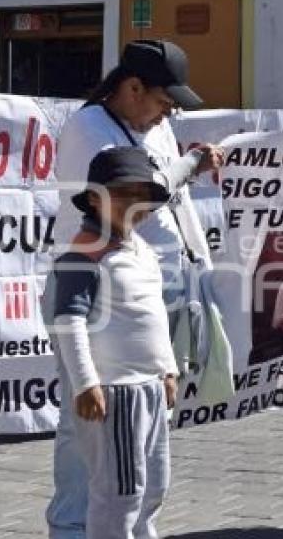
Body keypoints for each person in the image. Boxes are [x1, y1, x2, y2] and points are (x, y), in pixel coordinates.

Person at [47, 39, 222, 539]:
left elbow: (162, 193)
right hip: (98, 291)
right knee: (86, 425)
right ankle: (73, 527)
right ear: (132, 87)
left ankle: (136, 527)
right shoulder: (89, 129)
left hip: (146, 282)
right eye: (163, 102)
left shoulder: (156, 125)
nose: (166, 114)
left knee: (144, 437)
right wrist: (189, 165)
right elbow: (151, 186)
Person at [45, 147, 179, 539]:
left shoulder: (141, 250)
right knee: (119, 491)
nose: (134, 204)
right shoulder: (83, 255)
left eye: (142, 195)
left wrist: (167, 368)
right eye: (122, 193)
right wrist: (86, 383)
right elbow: (68, 321)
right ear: (93, 198)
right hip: (115, 394)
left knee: (155, 483)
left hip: (150, 388)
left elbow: (154, 312)